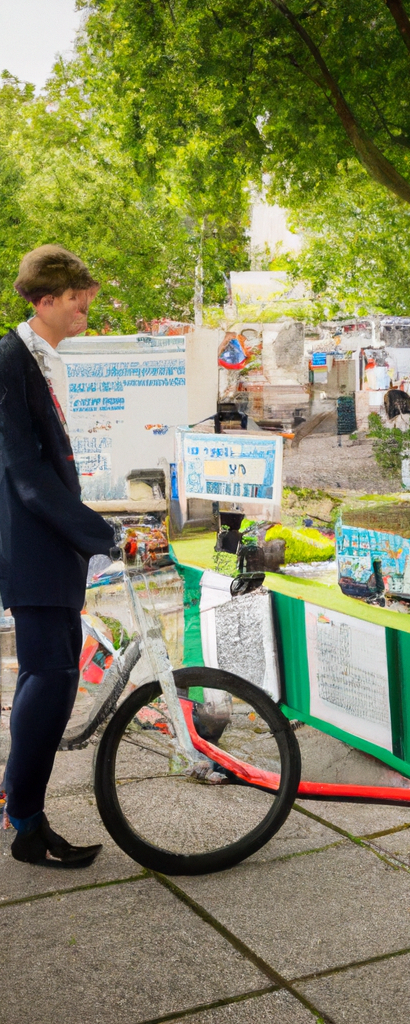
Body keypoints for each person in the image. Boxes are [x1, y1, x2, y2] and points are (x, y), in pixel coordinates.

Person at [0, 245, 116, 866]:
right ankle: (26, 822)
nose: (83, 311)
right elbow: (27, 477)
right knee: (50, 679)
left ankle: (17, 805)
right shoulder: (9, 360)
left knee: (47, 676)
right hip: (32, 546)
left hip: (46, 545)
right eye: (75, 300)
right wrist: (103, 535)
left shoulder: (35, 357)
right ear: (44, 301)